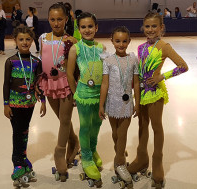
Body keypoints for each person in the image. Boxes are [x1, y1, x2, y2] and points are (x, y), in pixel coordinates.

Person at [127, 12, 188, 189]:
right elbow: (139, 70)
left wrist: (162, 77)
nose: (151, 30)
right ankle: (141, 158)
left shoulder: (164, 46)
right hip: (142, 93)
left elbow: (183, 66)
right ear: (143, 28)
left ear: (161, 28)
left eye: (154, 26)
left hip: (155, 93)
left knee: (156, 126)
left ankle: (157, 162)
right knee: (141, 125)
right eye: (147, 26)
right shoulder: (140, 48)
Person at [37, 2, 79, 182]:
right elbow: (41, 59)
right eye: (53, 19)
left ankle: (59, 153)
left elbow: (77, 67)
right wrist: (38, 85)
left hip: (66, 83)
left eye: (60, 19)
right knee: (62, 119)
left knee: (64, 120)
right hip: (48, 84)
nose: (56, 23)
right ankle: (74, 141)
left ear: (66, 19)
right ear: (48, 19)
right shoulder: (42, 38)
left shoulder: (72, 41)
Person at [3, 26, 46, 187]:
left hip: (29, 103)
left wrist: (43, 102)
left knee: (25, 130)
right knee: (17, 132)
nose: (25, 42)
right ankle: (18, 163)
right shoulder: (10, 61)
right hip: (14, 104)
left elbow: (39, 84)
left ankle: (23, 156)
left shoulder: (36, 62)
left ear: (32, 41)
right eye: (21, 39)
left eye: (28, 39)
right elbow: (6, 84)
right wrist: (6, 104)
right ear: (15, 41)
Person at [98, 26, 140, 188]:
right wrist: (101, 105)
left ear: (129, 41)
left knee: (122, 135)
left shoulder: (133, 60)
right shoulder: (107, 61)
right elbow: (104, 84)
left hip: (127, 102)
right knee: (115, 134)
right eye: (117, 41)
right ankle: (120, 151)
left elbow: (135, 83)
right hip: (112, 103)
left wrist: (137, 103)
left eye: (124, 41)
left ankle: (120, 163)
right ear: (112, 41)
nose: (121, 45)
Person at [67, 12, 105, 187]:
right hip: (83, 94)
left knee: (96, 125)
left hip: (99, 94)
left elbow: (106, 72)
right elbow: (69, 73)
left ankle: (93, 149)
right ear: (79, 29)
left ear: (96, 28)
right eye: (83, 27)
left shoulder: (102, 48)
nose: (87, 30)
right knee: (85, 126)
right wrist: (75, 93)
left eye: (90, 26)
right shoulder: (76, 48)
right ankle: (87, 158)